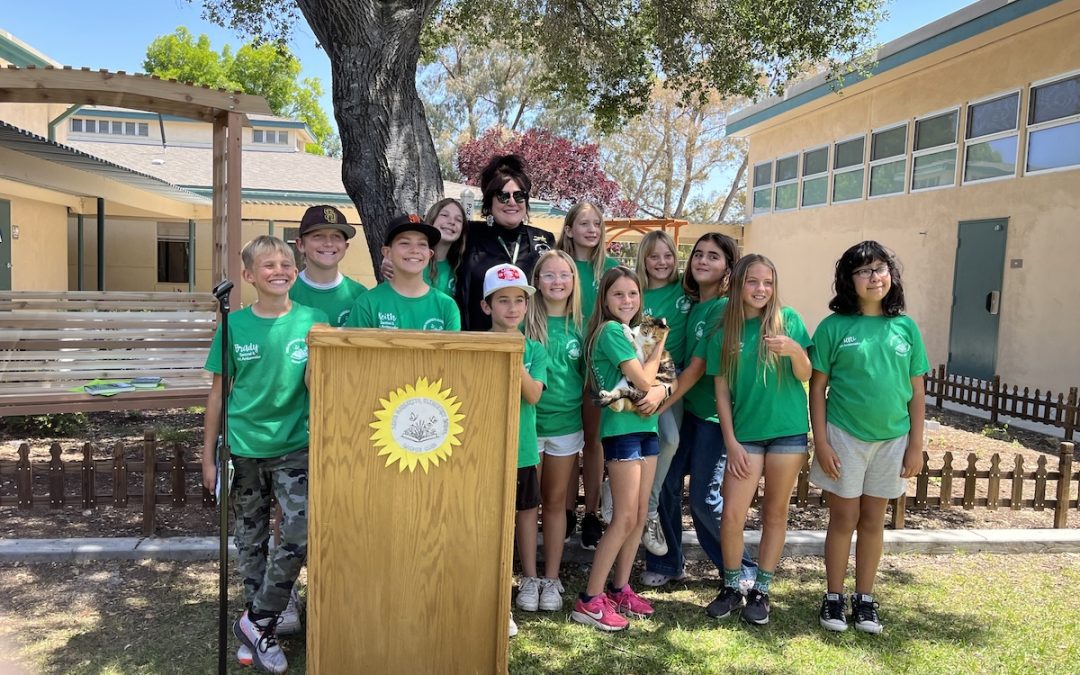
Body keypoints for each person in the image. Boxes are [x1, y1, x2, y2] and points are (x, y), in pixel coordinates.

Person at [200, 235, 328, 674]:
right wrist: (208, 457)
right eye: (268, 265)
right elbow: (218, 395)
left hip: (295, 446)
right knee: (251, 542)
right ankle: (264, 628)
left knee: (301, 528)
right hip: (244, 449)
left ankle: (255, 620)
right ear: (250, 275)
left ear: (297, 269)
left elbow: (322, 383)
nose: (279, 270)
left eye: (286, 263)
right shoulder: (234, 325)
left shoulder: (315, 321)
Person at [809, 241, 927, 634]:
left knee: (875, 519)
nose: (873, 276)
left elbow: (917, 390)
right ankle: (832, 598)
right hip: (844, 437)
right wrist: (822, 442)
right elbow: (817, 388)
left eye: (879, 268)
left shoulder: (905, 327)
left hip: (893, 440)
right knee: (844, 518)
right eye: (863, 271)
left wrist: (915, 444)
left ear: (890, 275)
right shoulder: (834, 327)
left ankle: (865, 600)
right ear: (849, 279)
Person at [642, 233, 755, 589]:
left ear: (728, 266)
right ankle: (668, 562)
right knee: (665, 487)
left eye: (714, 256)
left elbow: (695, 369)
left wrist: (660, 402)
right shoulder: (693, 303)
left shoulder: (723, 308)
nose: (703, 261)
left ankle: (740, 570)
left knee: (706, 499)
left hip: (712, 417)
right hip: (688, 411)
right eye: (698, 255)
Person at [705, 254, 812, 625]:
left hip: (788, 432)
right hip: (745, 437)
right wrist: (731, 442)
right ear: (738, 285)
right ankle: (732, 585)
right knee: (733, 514)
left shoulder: (789, 321)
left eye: (767, 282)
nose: (760, 289)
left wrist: (795, 350)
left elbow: (806, 373)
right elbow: (721, 393)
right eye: (752, 281)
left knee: (775, 513)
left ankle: (762, 590)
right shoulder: (723, 334)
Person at [571, 267, 672, 632]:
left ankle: (619, 588)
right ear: (605, 299)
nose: (626, 301)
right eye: (618, 295)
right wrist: (659, 343)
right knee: (625, 517)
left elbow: (665, 381)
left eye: (632, 294)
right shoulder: (611, 332)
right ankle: (589, 600)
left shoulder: (636, 332)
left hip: (647, 428)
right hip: (622, 431)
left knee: (640, 514)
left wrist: (661, 389)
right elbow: (645, 379)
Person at [481, 263, 548, 637]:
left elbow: (533, 393)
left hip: (521, 452)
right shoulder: (474, 345)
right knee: (490, 528)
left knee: (522, 520)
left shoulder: (534, 349)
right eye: (502, 300)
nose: (511, 308)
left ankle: (521, 590)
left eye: (519, 301)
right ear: (487, 306)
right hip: (486, 452)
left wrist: (512, 351)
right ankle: (490, 599)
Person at [556, 202, 620, 550]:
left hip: (598, 367)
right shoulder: (557, 265)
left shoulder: (609, 270)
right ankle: (565, 510)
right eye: (584, 223)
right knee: (567, 440)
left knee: (593, 441)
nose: (592, 229)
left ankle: (591, 512)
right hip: (564, 365)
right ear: (569, 229)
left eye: (597, 223)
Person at [523, 250, 584, 612]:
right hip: (529, 426)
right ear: (537, 281)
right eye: (548, 275)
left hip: (566, 426)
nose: (557, 281)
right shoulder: (525, 323)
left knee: (557, 502)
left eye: (564, 275)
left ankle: (552, 577)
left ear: (574, 281)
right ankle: (529, 578)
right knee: (528, 504)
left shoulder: (583, 324)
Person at [636, 230, 691, 557]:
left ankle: (646, 507)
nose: (662, 262)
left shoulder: (686, 290)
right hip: (644, 377)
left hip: (677, 378)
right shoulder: (637, 293)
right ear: (644, 259)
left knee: (667, 442)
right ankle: (644, 509)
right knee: (656, 440)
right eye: (654, 256)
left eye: (668, 255)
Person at [455, 155, 556, 331]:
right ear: (489, 202)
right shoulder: (468, 234)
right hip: (476, 343)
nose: (511, 202)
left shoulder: (544, 240)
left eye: (519, 196)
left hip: (530, 347)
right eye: (502, 196)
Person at [345, 214, 461, 330]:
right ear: (387, 253)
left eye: (422, 244)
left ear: (430, 254)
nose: (415, 250)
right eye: (405, 243)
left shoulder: (447, 306)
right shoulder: (367, 303)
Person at [288, 205, 368, 327]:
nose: (329, 243)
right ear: (300, 244)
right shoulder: (287, 291)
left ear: (345, 246)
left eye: (337, 236)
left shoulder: (359, 295)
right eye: (318, 236)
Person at [423, 198, 468, 297]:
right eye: (444, 215)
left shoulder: (460, 268)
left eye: (458, 219)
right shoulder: (414, 261)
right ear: (432, 219)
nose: (452, 222)